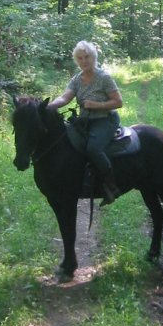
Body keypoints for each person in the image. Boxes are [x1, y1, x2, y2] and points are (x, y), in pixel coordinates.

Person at [47, 40, 123, 205]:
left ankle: (111, 186)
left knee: (93, 148)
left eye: (87, 57)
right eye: (80, 58)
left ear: (93, 57)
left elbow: (118, 102)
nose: (84, 61)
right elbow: (65, 97)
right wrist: (49, 106)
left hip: (106, 120)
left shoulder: (104, 78)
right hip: (85, 121)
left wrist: (97, 105)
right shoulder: (77, 79)